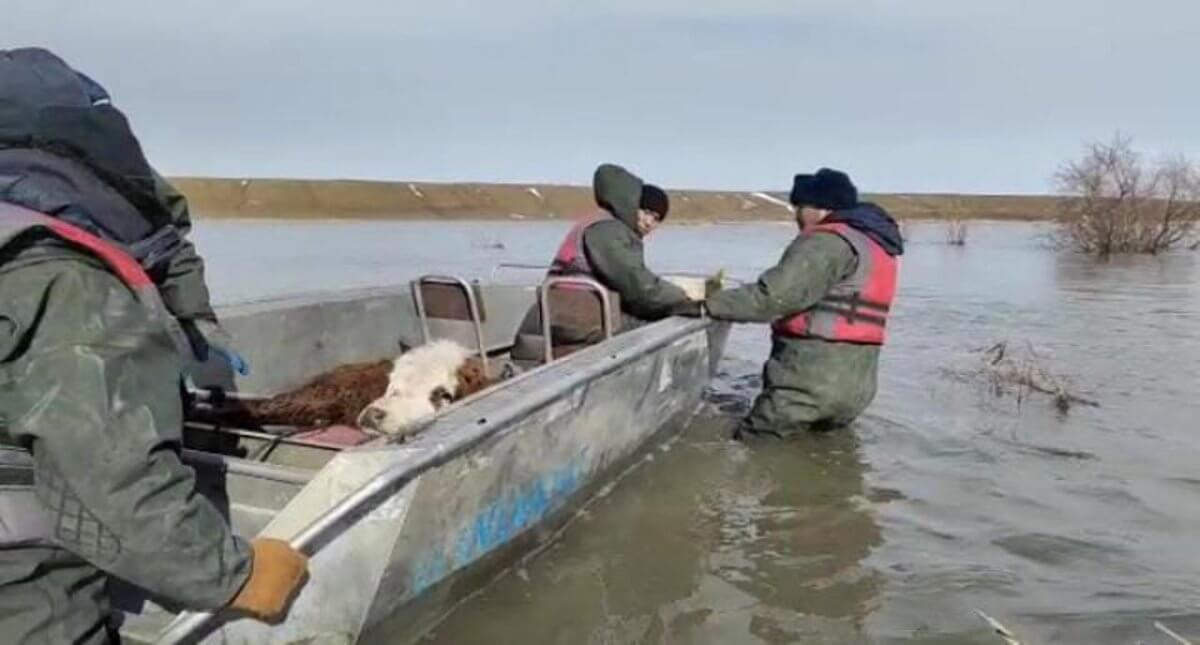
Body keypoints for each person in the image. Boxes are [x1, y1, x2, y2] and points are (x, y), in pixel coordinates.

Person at [0, 47, 306, 643]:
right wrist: (235, 576)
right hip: (24, 595)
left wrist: (199, 329)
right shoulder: (61, 279)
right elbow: (112, 478)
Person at [705, 168, 903, 438]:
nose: (796, 215)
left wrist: (707, 304)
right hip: (858, 386)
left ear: (819, 207)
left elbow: (771, 298)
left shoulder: (825, 241)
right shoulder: (876, 244)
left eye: (799, 206)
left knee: (755, 447)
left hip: (808, 381)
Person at [511, 163, 702, 360]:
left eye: (656, 219)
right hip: (578, 317)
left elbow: (629, 281)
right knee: (657, 325)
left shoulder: (600, 222)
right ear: (632, 204)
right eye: (646, 212)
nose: (649, 223)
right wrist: (682, 300)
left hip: (563, 312)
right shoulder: (609, 230)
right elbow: (637, 284)